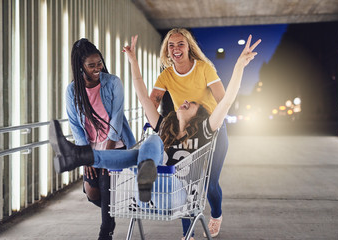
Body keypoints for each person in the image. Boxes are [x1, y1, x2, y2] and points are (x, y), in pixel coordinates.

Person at [50, 34, 261, 240]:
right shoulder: (166, 128)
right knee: (149, 144)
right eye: (171, 45)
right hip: (149, 195)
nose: (185, 102)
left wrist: (239, 66)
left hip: (173, 194)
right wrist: (133, 60)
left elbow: (225, 102)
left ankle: (147, 173)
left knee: (179, 169)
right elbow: (144, 98)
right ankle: (83, 156)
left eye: (192, 105)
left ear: (198, 117)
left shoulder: (204, 131)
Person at [149, 28, 228, 238]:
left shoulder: (203, 68)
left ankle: (216, 215)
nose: (176, 49)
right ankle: (188, 234)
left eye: (180, 44)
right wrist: (160, 124)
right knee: (185, 184)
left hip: (211, 128)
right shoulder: (166, 74)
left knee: (210, 182)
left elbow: (222, 98)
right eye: (171, 45)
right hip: (185, 132)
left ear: (188, 47)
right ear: (167, 50)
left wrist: (214, 121)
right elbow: (153, 100)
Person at [65, 38, 136, 240]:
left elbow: (117, 116)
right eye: (91, 65)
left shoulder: (113, 82)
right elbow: (75, 125)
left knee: (106, 184)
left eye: (99, 63)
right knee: (92, 193)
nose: (97, 68)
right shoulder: (72, 91)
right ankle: (111, 211)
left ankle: (106, 231)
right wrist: (86, 155)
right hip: (91, 149)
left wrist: (108, 153)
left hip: (116, 145)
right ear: (81, 66)